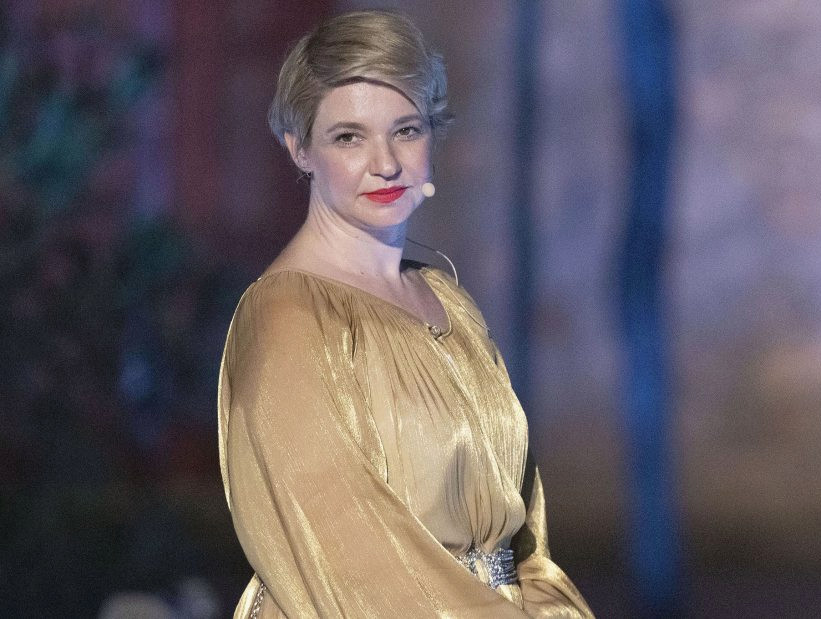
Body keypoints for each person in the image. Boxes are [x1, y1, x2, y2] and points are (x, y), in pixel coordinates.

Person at [216, 10, 594, 618]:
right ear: (299, 148)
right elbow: (351, 559)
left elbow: (523, 535)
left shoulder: (448, 301)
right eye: (349, 137)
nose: (386, 163)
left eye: (407, 130)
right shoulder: (288, 319)